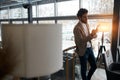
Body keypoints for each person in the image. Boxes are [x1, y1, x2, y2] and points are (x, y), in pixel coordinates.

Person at [73, 8, 97, 80]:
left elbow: (88, 36)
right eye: (84, 17)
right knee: (84, 69)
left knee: (94, 66)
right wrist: (91, 35)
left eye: (87, 16)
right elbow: (81, 41)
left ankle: (88, 78)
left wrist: (93, 35)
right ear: (79, 17)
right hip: (83, 51)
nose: (87, 18)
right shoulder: (76, 28)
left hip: (89, 48)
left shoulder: (87, 24)